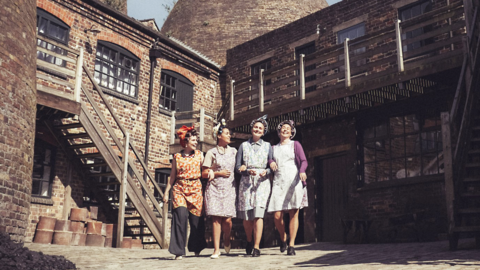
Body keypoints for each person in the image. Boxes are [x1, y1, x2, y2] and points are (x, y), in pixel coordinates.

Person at [163, 126, 207, 260]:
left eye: (196, 140)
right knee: (180, 217)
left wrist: (212, 171)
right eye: (193, 140)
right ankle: (178, 251)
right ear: (186, 141)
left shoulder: (200, 155)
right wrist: (166, 193)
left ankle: (196, 247)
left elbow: (205, 170)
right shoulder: (176, 157)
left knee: (195, 221)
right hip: (180, 189)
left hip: (195, 189)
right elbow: (172, 176)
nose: (196, 142)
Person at [268, 120, 308, 256]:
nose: (285, 130)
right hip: (279, 181)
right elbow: (268, 159)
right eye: (283, 128)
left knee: (293, 213)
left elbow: (303, 160)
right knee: (277, 214)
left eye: (288, 128)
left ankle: (291, 245)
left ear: (291, 133)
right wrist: (271, 162)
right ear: (279, 132)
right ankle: (283, 237)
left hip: (294, 179)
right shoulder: (273, 148)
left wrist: (302, 171)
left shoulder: (295, 144)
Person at [235, 115, 272, 257]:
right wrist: (244, 170)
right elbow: (237, 167)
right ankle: (249, 240)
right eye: (255, 127)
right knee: (247, 217)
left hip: (262, 183)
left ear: (263, 132)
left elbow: (271, 166)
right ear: (252, 129)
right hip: (247, 182)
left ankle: (257, 247)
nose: (257, 129)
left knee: (258, 215)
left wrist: (267, 171)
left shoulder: (268, 146)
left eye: (260, 128)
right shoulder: (243, 146)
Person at [202, 119, 237, 259]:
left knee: (227, 220)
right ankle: (216, 250)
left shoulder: (234, 151)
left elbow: (240, 164)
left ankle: (227, 239)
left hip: (229, 188)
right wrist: (216, 173)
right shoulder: (211, 153)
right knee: (216, 219)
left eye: (229, 133)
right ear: (219, 136)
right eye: (227, 133)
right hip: (214, 189)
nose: (229, 136)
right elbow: (204, 173)